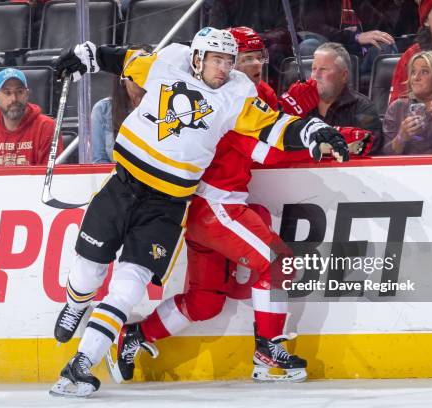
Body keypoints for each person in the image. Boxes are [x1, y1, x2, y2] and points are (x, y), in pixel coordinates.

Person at [49, 27, 349, 397]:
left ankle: (81, 365)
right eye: (218, 59)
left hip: (170, 205)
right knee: (88, 272)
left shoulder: (240, 94)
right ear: (196, 58)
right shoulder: (168, 62)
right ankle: (77, 303)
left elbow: (272, 128)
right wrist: (89, 55)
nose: (228, 68)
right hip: (133, 187)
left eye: (233, 59)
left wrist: (314, 131)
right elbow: (126, 59)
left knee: (141, 289)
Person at [0, 68, 63, 166]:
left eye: (19, 91)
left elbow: (50, 177)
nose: (14, 98)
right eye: (7, 92)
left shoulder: (47, 127)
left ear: (27, 94)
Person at [305, 42, 382, 152]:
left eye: (323, 69)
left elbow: (368, 146)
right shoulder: (301, 106)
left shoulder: (363, 108)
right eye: (314, 69)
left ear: (343, 76)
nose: (315, 75)